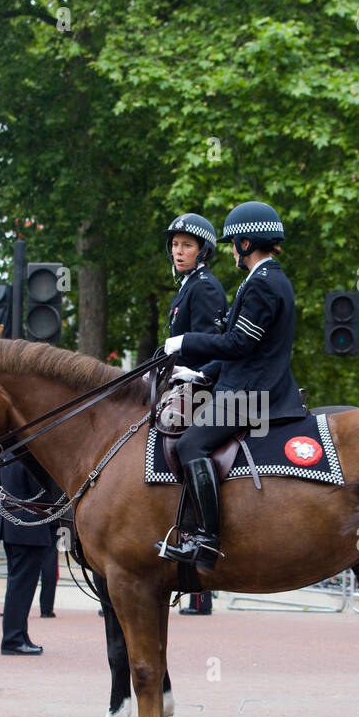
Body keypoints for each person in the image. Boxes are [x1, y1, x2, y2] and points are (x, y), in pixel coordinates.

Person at [158, 201, 305, 571]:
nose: (232, 249)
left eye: (233, 242)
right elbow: (236, 348)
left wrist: (185, 342)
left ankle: (207, 540)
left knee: (192, 443)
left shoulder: (265, 284)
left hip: (251, 393)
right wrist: (201, 373)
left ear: (245, 243)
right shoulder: (262, 279)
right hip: (242, 382)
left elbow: (240, 345)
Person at [164, 211, 227, 611]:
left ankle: (203, 531)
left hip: (201, 386)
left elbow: (215, 343)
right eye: (174, 245)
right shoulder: (187, 286)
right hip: (181, 381)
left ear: (203, 250)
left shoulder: (204, 287)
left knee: (188, 445)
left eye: (187, 245)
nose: (178, 251)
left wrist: (199, 374)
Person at [0, 460, 53, 655]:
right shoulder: (27, 460)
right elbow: (42, 493)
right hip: (28, 529)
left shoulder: (7, 459)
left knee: (16, 585)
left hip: (12, 528)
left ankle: (19, 634)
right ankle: (13, 639)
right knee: (21, 587)